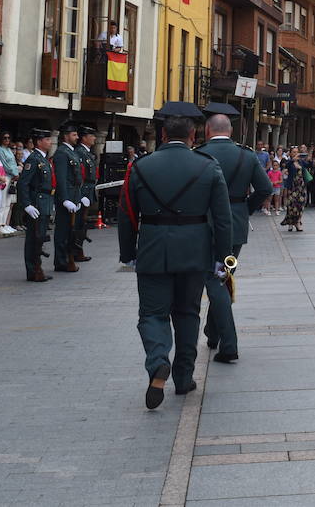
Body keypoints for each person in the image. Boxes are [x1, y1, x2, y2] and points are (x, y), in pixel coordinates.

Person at [119, 104, 232, 408]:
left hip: (153, 249)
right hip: (195, 250)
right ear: (194, 136)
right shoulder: (208, 166)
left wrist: (128, 253)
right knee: (187, 313)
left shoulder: (141, 166)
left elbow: (128, 214)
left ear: (164, 134)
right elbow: (222, 219)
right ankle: (183, 377)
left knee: (152, 314)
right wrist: (224, 256)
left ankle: (158, 361)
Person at [198, 112, 271, 364]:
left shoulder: (200, 153)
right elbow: (265, 188)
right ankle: (213, 331)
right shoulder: (247, 155)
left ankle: (228, 344)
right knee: (222, 277)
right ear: (230, 131)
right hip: (236, 225)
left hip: (203, 223)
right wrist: (245, 209)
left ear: (208, 130)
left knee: (215, 281)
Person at [17, 129, 55, 282]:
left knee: (40, 237)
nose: (50, 142)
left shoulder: (43, 159)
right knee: (34, 237)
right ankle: (33, 270)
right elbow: (23, 183)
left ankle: (37, 268)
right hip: (37, 202)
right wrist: (27, 204)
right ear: (39, 142)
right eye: (47, 139)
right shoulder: (34, 159)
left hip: (44, 202)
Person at [51, 124, 84, 274]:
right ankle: (61, 261)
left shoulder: (72, 152)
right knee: (63, 231)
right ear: (66, 136)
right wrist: (65, 198)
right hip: (67, 197)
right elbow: (61, 178)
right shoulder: (61, 153)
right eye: (74, 135)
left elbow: (77, 178)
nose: (77, 137)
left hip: (74, 196)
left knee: (71, 231)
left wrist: (79, 197)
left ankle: (66, 259)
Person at [73, 125, 99, 261]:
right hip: (83, 191)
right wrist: (81, 195)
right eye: (91, 136)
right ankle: (76, 251)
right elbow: (79, 176)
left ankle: (79, 250)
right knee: (78, 222)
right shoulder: (80, 153)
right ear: (84, 138)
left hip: (88, 190)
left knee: (83, 223)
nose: (94, 138)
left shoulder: (87, 153)